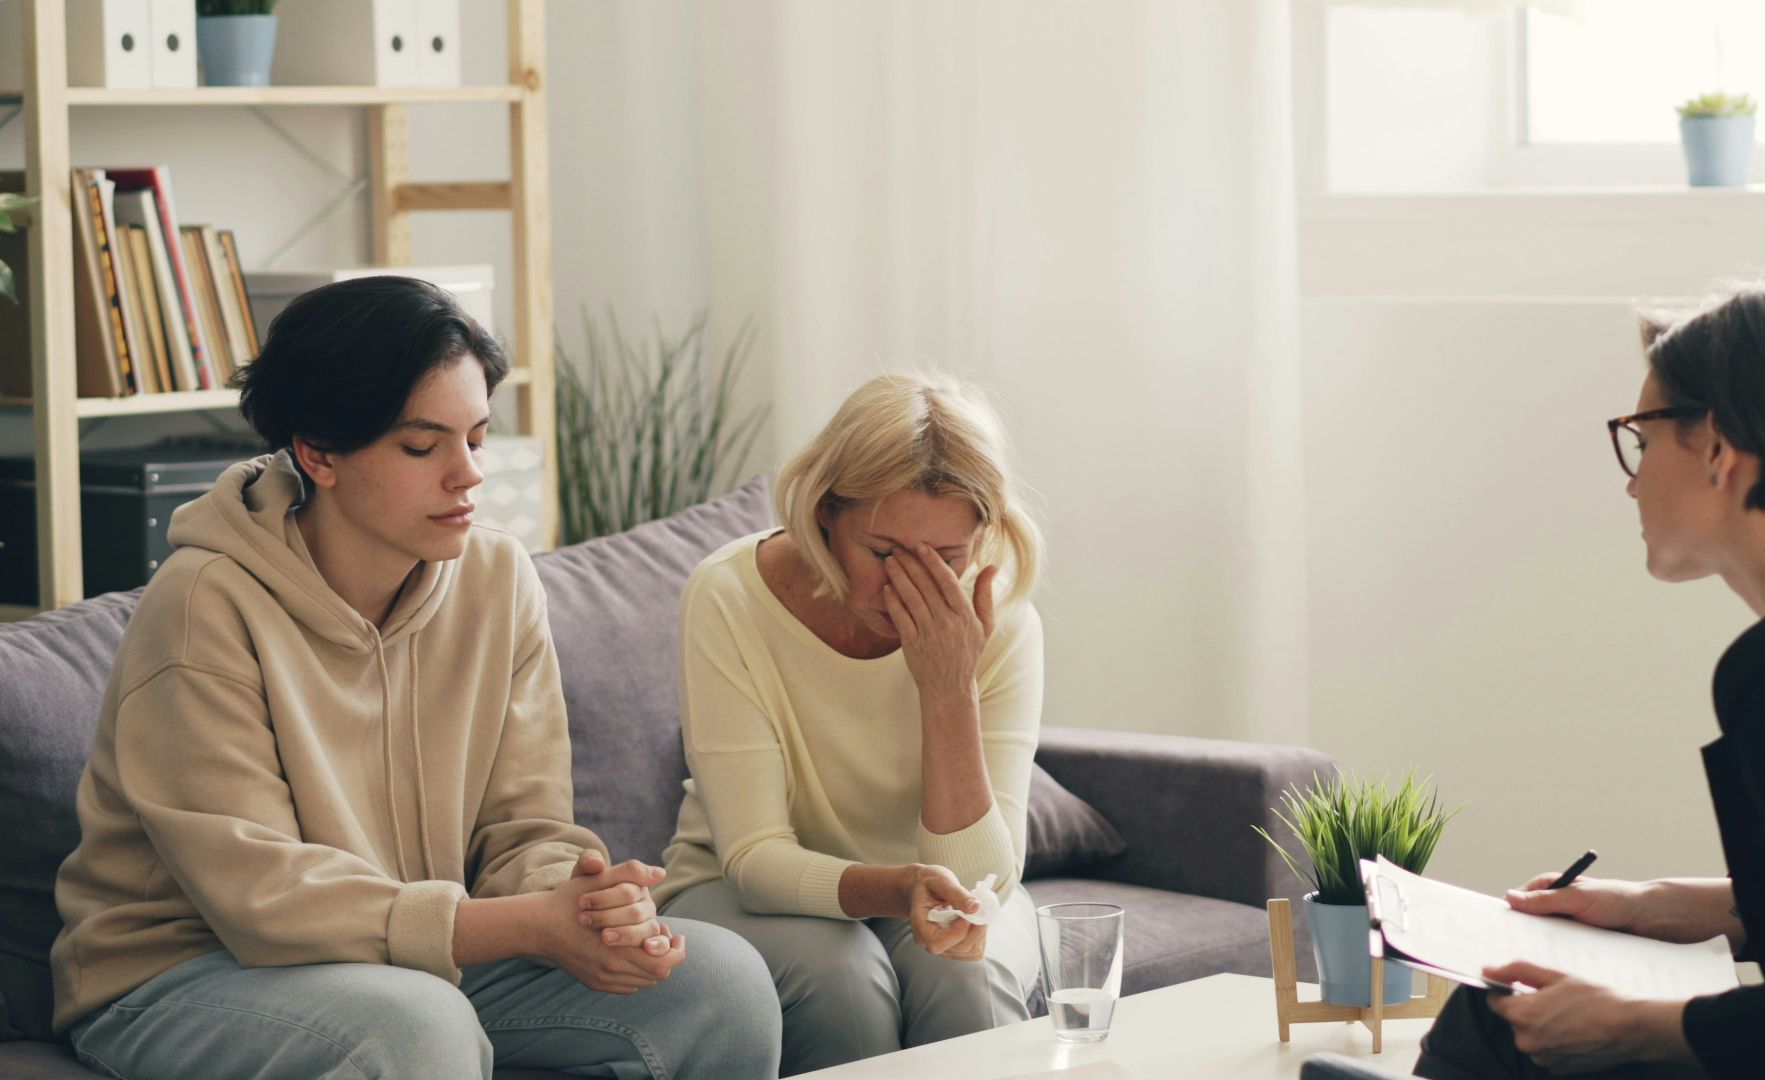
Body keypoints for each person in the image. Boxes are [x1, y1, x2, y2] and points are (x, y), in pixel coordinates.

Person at [50, 276, 780, 1080]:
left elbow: (525, 828)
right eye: (422, 446)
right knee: (414, 1027)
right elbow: (263, 897)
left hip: (413, 959)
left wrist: (584, 906)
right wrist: (522, 926)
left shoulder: (498, 579)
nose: (467, 474)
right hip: (189, 973)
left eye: (477, 437)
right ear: (317, 453)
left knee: (720, 981)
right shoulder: (202, 606)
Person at [1415, 279, 1765, 1080]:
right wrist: (1655, 906)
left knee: (1498, 1019)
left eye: (1640, 441)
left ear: (1718, 448)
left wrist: (1630, 1026)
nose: (1631, 480)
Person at [655, 371, 1047, 1074]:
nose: (909, 588)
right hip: (738, 891)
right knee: (841, 976)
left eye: (946, 559)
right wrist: (897, 888)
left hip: (936, 892)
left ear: (983, 536)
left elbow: (983, 882)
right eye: (885, 553)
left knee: (965, 973)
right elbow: (753, 860)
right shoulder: (728, 597)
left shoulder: (1004, 622)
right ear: (825, 513)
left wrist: (948, 686)